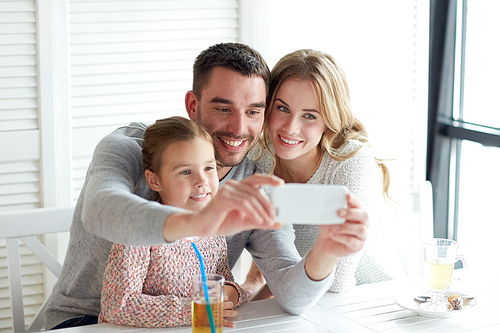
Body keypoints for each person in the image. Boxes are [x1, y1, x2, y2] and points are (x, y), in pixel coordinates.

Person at [45, 43, 369, 330]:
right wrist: (202, 221)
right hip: (81, 320)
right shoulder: (133, 146)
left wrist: (325, 254)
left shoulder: (251, 182)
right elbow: (101, 211)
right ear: (192, 105)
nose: (239, 128)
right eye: (223, 108)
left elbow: (292, 296)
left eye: (254, 111)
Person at [243, 49, 405, 299]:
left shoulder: (351, 161)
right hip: (308, 299)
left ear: (329, 120)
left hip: (373, 299)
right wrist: (251, 288)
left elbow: (336, 280)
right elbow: (271, 240)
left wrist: (260, 298)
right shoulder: (259, 159)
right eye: (282, 108)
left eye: (309, 115)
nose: (290, 128)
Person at [99, 117, 246, 328]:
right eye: (186, 172)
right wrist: (194, 311)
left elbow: (222, 280)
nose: (202, 181)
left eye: (209, 168)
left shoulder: (213, 230)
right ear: (154, 181)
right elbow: (118, 305)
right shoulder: (139, 232)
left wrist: (229, 292)